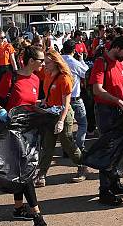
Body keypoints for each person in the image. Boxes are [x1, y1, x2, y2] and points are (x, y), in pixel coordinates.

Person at [0, 45, 47, 226]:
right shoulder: (11, 77)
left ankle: (18, 207)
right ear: (31, 61)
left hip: (29, 130)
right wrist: (2, 111)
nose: (43, 63)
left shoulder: (36, 79)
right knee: (25, 170)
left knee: (19, 169)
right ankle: (36, 212)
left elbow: (31, 103)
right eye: (41, 60)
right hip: (11, 131)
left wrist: (44, 109)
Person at [88, 35, 123, 206]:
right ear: (116, 48)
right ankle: (105, 190)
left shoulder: (120, 62)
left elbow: (122, 85)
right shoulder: (101, 63)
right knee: (108, 149)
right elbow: (97, 89)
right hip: (106, 111)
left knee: (120, 147)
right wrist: (118, 100)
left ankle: (115, 183)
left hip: (119, 109)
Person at [36, 49, 88, 186]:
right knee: (47, 145)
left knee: (68, 144)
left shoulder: (64, 78)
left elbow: (66, 104)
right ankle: (41, 174)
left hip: (63, 114)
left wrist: (61, 121)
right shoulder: (47, 73)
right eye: (44, 62)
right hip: (50, 113)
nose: (44, 65)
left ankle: (82, 165)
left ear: (55, 62)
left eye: (47, 62)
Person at [61, 40, 89, 151]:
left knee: (65, 124)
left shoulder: (58, 60)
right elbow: (86, 72)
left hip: (61, 98)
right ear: (74, 50)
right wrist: (81, 60)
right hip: (74, 98)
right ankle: (78, 147)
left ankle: (66, 148)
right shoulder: (73, 62)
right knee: (82, 123)